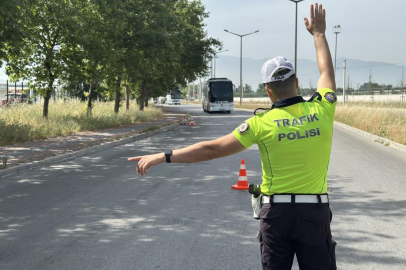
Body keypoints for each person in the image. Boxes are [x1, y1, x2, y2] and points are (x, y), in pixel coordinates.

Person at [128, 3, 337, 270]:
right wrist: (319, 34)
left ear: (267, 91)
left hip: (277, 215)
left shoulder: (261, 123)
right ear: (296, 83)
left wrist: (164, 156)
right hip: (314, 214)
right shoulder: (323, 108)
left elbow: (212, 149)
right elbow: (326, 73)